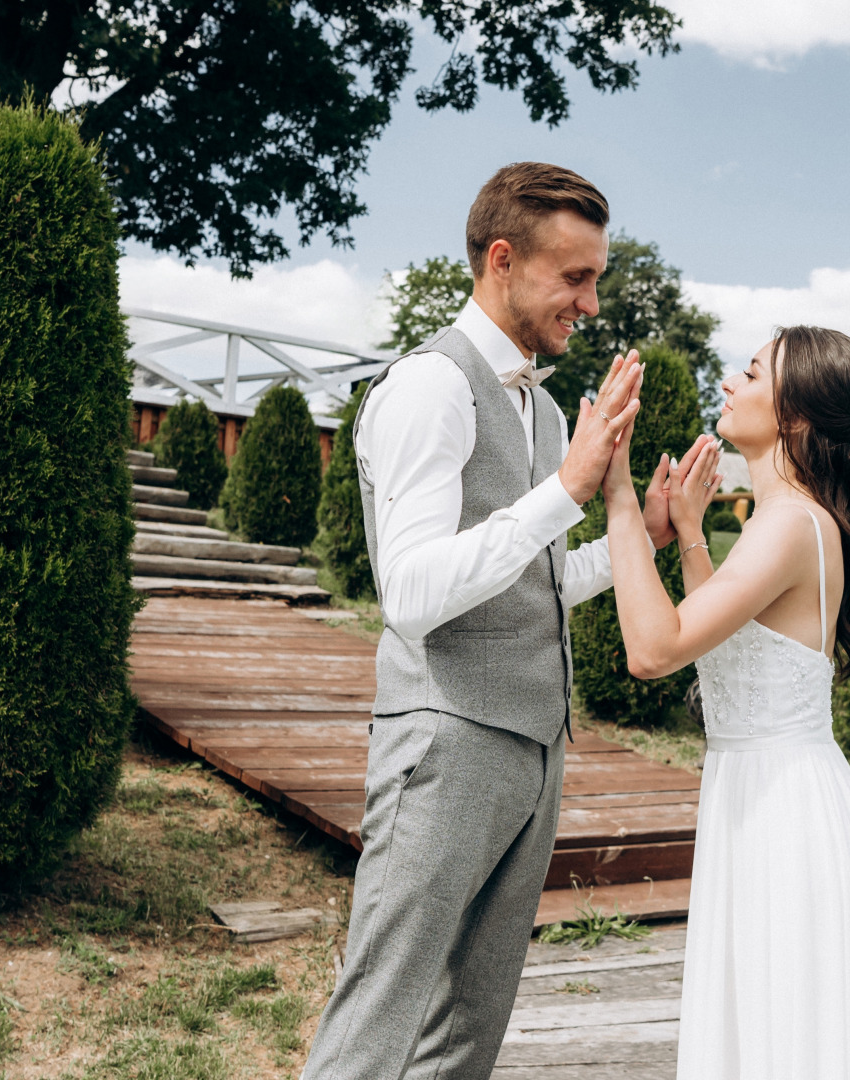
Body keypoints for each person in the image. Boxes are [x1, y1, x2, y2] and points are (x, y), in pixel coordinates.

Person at [300, 162, 677, 1080]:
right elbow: (414, 595)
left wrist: (647, 537)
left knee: (470, 1027)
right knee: (380, 1014)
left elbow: (532, 580)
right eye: (574, 276)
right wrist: (567, 489)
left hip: (533, 750)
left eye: (596, 277)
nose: (590, 302)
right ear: (501, 259)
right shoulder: (430, 386)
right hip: (445, 741)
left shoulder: (545, 409)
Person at [601, 326, 850, 1078]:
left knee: (782, 1030)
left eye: (751, 372)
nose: (729, 383)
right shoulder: (785, 519)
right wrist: (689, 531)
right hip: (767, 796)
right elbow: (715, 644)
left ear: (793, 416)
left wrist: (619, 498)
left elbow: (654, 652)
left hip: (782, 814)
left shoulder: (788, 524)